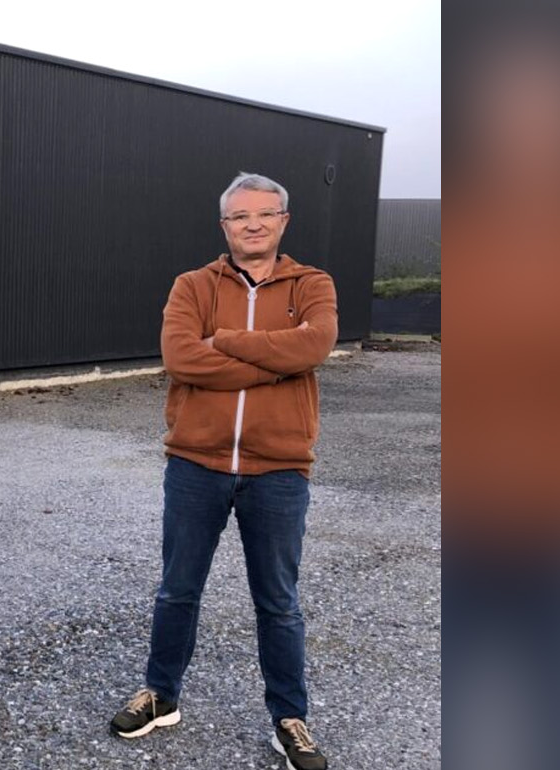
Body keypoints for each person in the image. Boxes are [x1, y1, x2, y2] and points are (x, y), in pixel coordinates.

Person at [109, 172, 338, 770]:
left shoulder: (313, 284)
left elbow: (313, 347)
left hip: (280, 470)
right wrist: (273, 359)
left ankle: (289, 717)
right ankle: (161, 695)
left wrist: (229, 341)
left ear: (284, 221)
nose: (253, 224)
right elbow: (181, 357)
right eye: (240, 216)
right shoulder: (192, 285)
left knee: (279, 601)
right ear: (225, 226)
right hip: (196, 465)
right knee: (177, 590)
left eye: (265, 214)